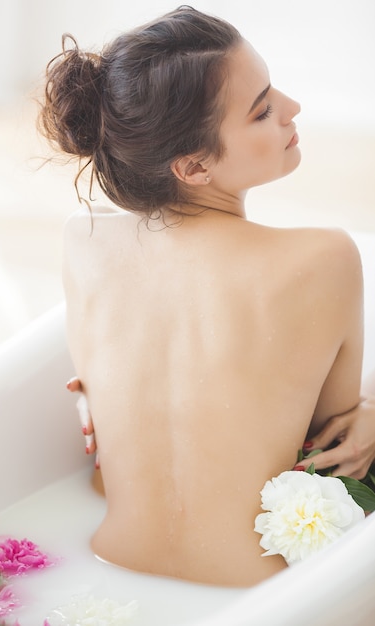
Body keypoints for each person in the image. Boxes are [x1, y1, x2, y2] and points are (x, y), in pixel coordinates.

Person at [39, 6, 375, 587]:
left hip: (105, 567)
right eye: (263, 110)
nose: (292, 108)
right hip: (262, 592)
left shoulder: (83, 239)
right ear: (193, 166)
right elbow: (325, 452)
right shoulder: (324, 258)